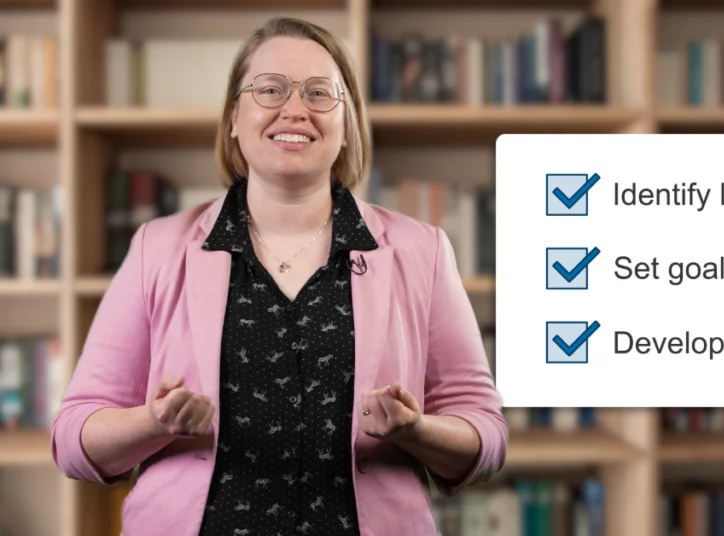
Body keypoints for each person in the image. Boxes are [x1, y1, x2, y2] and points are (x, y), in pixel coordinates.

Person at [50, 17, 507, 536]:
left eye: (319, 93)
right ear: (233, 119)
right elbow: (72, 441)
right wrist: (153, 424)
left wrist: (416, 430)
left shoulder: (422, 251)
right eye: (270, 89)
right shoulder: (158, 248)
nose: (295, 109)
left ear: (348, 122)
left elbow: (486, 441)